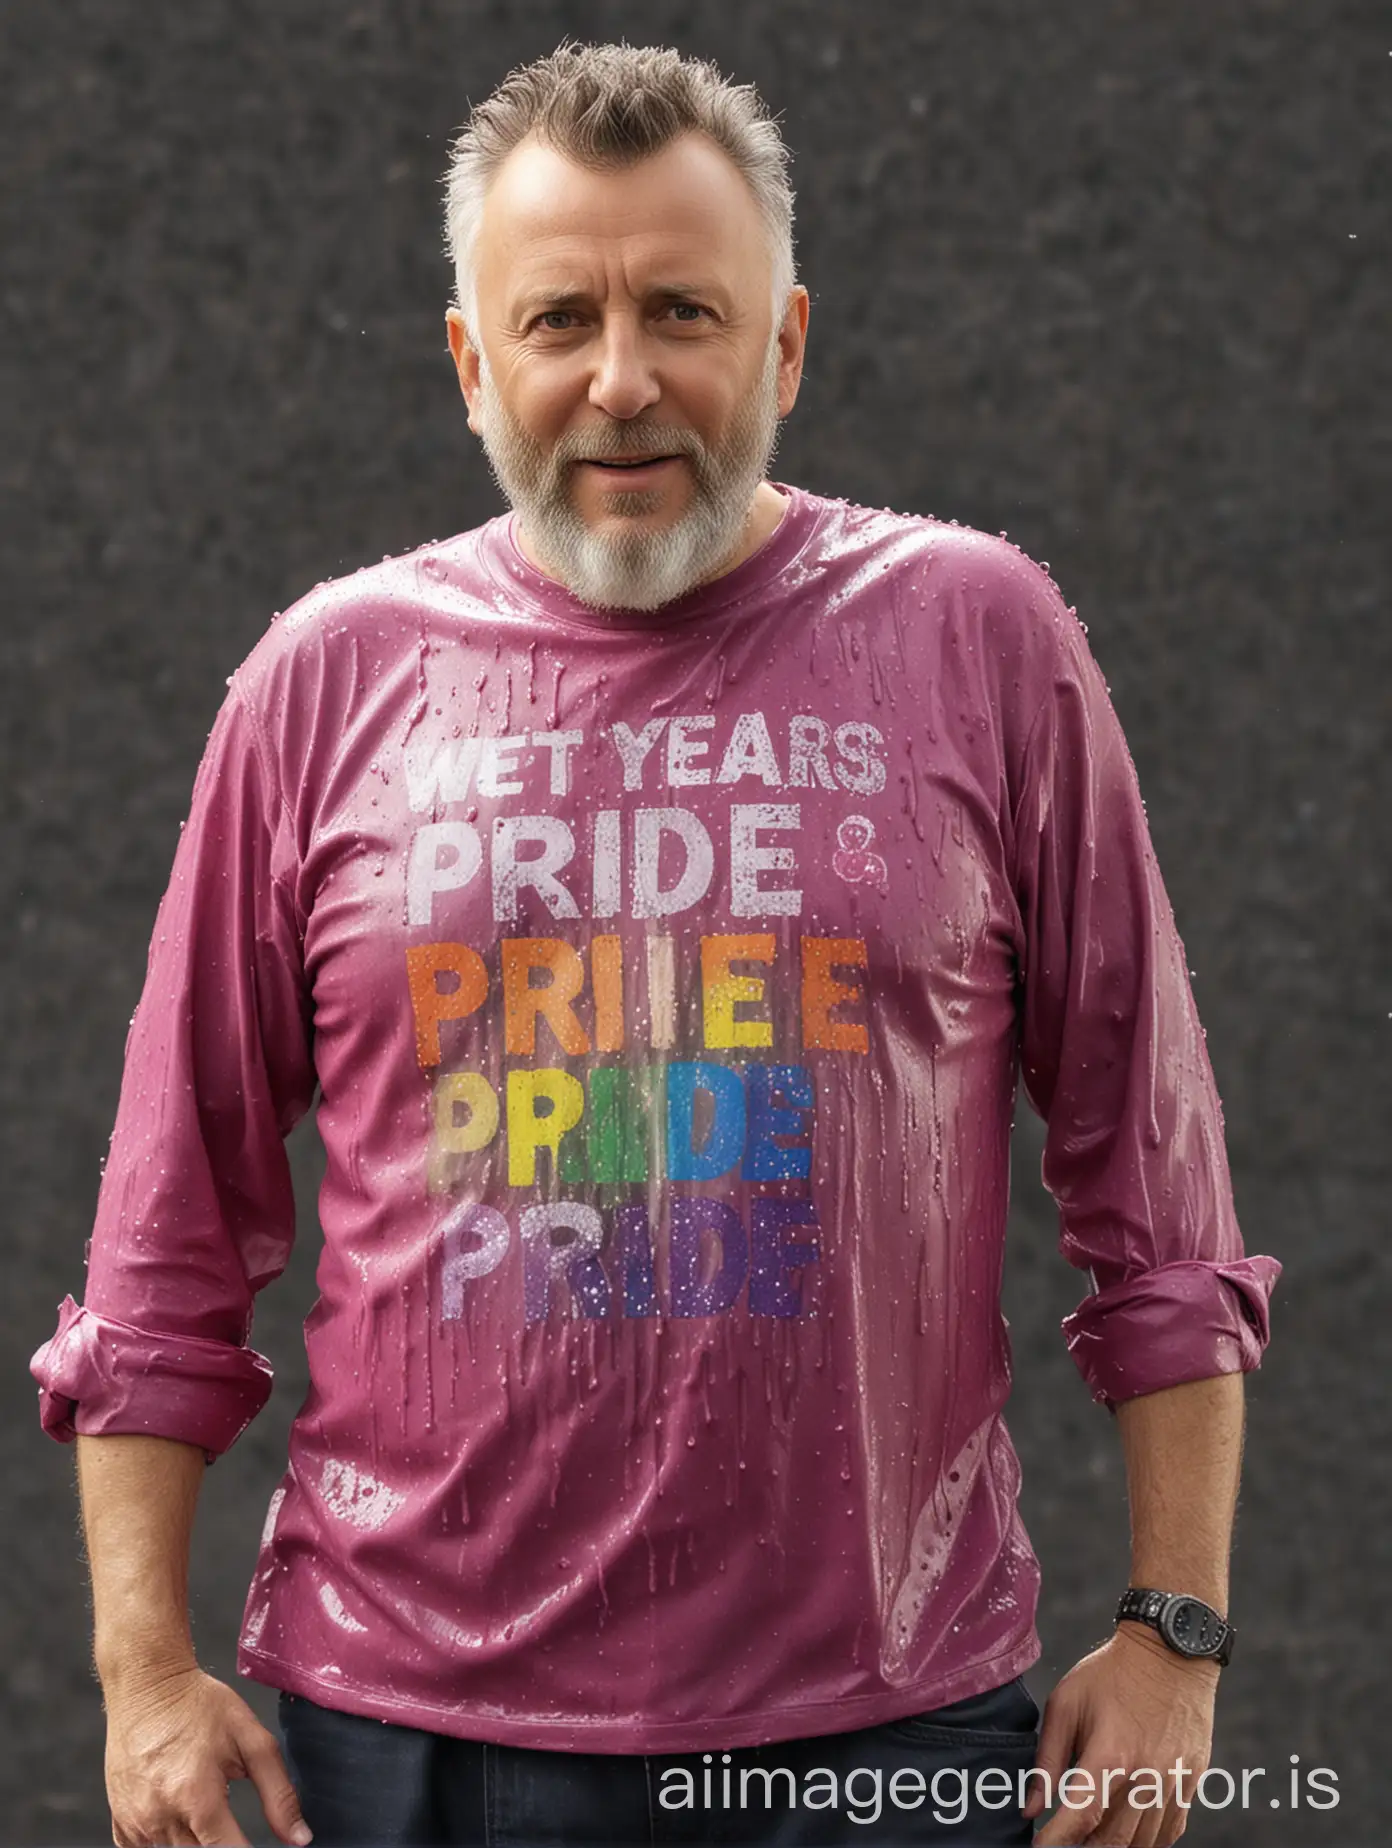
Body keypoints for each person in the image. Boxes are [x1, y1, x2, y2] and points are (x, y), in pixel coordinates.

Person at [32, 41, 1279, 1848]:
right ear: (474, 364)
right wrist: (143, 1674)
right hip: (400, 1741)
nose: (622, 383)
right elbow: (163, 1248)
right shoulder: (328, 681)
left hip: (886, 1738)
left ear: (782, 345)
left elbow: (1160, 1202)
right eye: (557, 322)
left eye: (684, 310)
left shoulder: (982, 640)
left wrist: (1180, 1632)